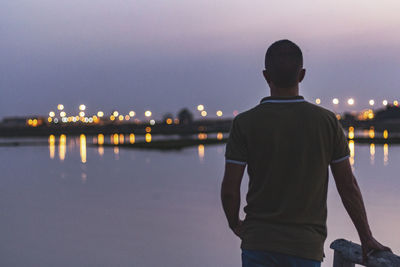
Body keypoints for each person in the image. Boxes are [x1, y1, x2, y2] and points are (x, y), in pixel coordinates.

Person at [221, 39, 390, 267]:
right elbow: (347, 185)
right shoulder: (326, 121)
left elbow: (230, 190)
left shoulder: (244, 123)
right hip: (305, 248)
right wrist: (366, 236)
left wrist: (235, 224)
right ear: (301, 75)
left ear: (265, 75)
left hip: (258, 243)